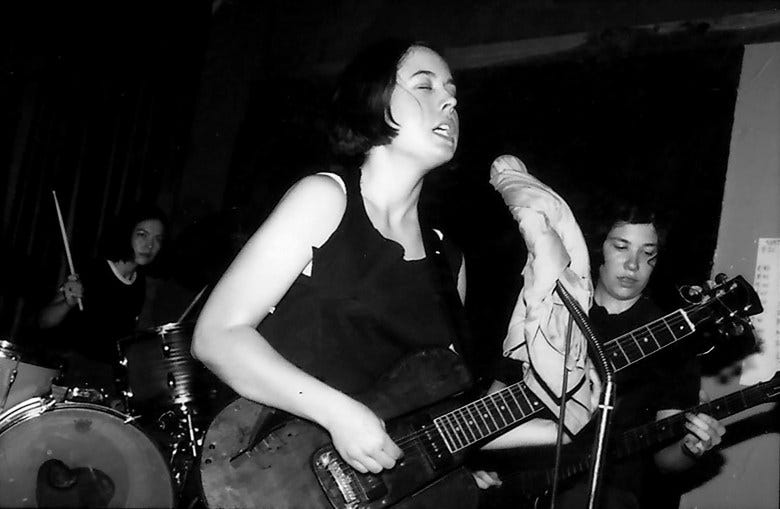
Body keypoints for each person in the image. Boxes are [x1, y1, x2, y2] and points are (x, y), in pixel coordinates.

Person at [192, 39, 567, 490]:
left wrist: (564, 425)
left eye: (452, 94)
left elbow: (431, 420)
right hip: (270, 479)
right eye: (424, 85)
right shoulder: (326, 198)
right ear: (373, 99)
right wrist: (338, 413)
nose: (449, 101)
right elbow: (216, 336)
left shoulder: (448, 261)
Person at [552, 201, 726, 509]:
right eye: (621, 247)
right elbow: (503, 393)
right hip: (526, 483)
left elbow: (665, 459)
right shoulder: (557, 309)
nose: (633, 265)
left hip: (610, 494)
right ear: (598, 248)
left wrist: (691, 448)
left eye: (648, 254)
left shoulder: (672, 336)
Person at [37, 203, 167, 394]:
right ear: (126, 232)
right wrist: (67, 302)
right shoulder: (94, 270)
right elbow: (44, 321)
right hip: (67, 374)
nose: (150, 245)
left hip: (103, 380)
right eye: (142, 234)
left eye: (158, 239)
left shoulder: (140, 283)